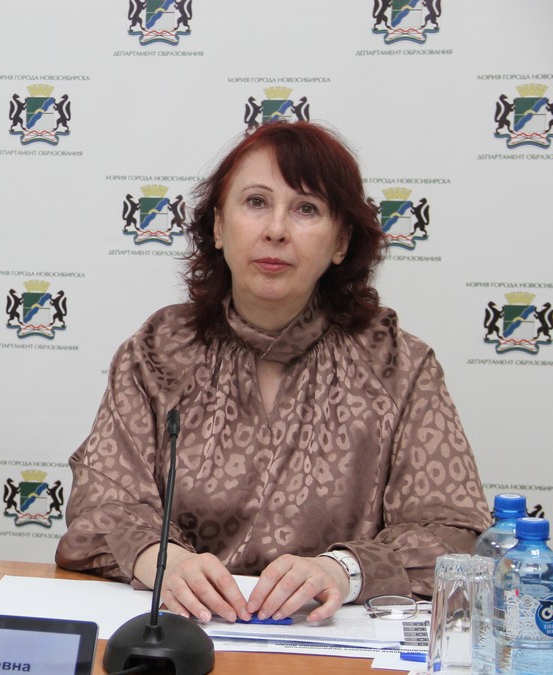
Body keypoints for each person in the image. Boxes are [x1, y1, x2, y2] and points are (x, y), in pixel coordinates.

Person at [56, 122, 488, 624]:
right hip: (188, 631)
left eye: (306, 209)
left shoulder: (399, 365)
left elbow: (454, 534)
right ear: (219, 227)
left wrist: (343, 570)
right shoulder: (157, 352)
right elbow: (98, 510)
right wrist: (160, 559)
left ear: (341, 241)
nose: (277, 230)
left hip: (328, 638)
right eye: (256, 202)